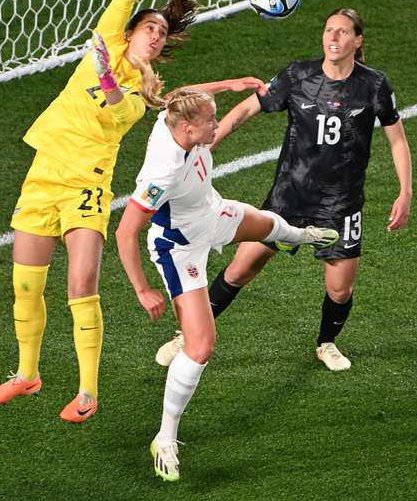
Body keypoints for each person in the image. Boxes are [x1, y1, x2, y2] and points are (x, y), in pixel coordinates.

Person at [0, 0, 253, 423]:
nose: (155, 34)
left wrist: (107, 75)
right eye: (149, 27)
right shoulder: (108, 39)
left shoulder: (143, 92)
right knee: (25, 283)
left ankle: (87, 392)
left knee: (80, 283)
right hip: (43, 174)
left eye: (162, 33)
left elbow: (117, 107)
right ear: (129, 34)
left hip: (86, 186)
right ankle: (27, 373)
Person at [155, 8, 413, 372]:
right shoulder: (298, 76)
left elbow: (397, 140)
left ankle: (326, 343)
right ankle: (186, 335)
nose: (333, 38)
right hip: (288, 196)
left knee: (340, 290)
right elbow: (247, 108)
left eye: (342, 32)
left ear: (358, 41)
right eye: (328, 30)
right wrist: (210, 142)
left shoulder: (373, 86)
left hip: (341, 204)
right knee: (239, 270)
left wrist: (405, 192)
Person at [116, 89, 339, 481]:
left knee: (270, 224)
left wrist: (232, 83)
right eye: (210, 121)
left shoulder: (177, 115)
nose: (217, 126)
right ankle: (165, 438)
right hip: (179, 249)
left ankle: (301, 237)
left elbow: (186, 95)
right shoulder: (162, 171)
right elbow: (125, 231)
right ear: (188, 128)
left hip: (212, 212)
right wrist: (142, 289)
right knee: (201, 346)